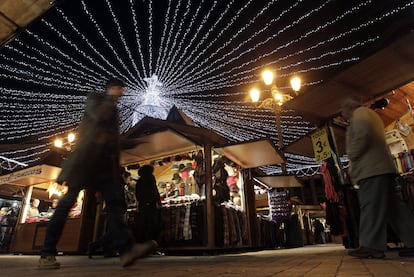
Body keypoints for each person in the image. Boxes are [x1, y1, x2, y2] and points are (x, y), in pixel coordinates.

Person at [38, 78, 157, 269]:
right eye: (119, 89)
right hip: (84, 163)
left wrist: (133, 142)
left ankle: (127, 251)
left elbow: (113, 140)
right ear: (110, 89)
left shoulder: (113, 109)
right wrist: (110, 99)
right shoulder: (95, 99)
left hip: (103, 168)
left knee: (115, 206)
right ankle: (46, 253)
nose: (122, 93)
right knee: (66, 203)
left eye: (122, 90)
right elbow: (98, 117)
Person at [342, 96, 414, 259]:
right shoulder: (370, 114)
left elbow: (361, 137)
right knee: (395, 209)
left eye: (344, 111)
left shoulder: (360, 115)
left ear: (349, 108)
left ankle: (371, 246)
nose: (343, 114)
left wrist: (352, 154)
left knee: (371, 207)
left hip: (371, 170)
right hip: (383, 168)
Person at [135, 165, 162, 244]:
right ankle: (152, 243)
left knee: (143, 225)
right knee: (152, 224)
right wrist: (158, 202)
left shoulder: (139, 181)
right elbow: (154, 190)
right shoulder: (150, 178)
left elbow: (137, 194)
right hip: (151, 204)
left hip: (142, 205)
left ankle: (143, 242)